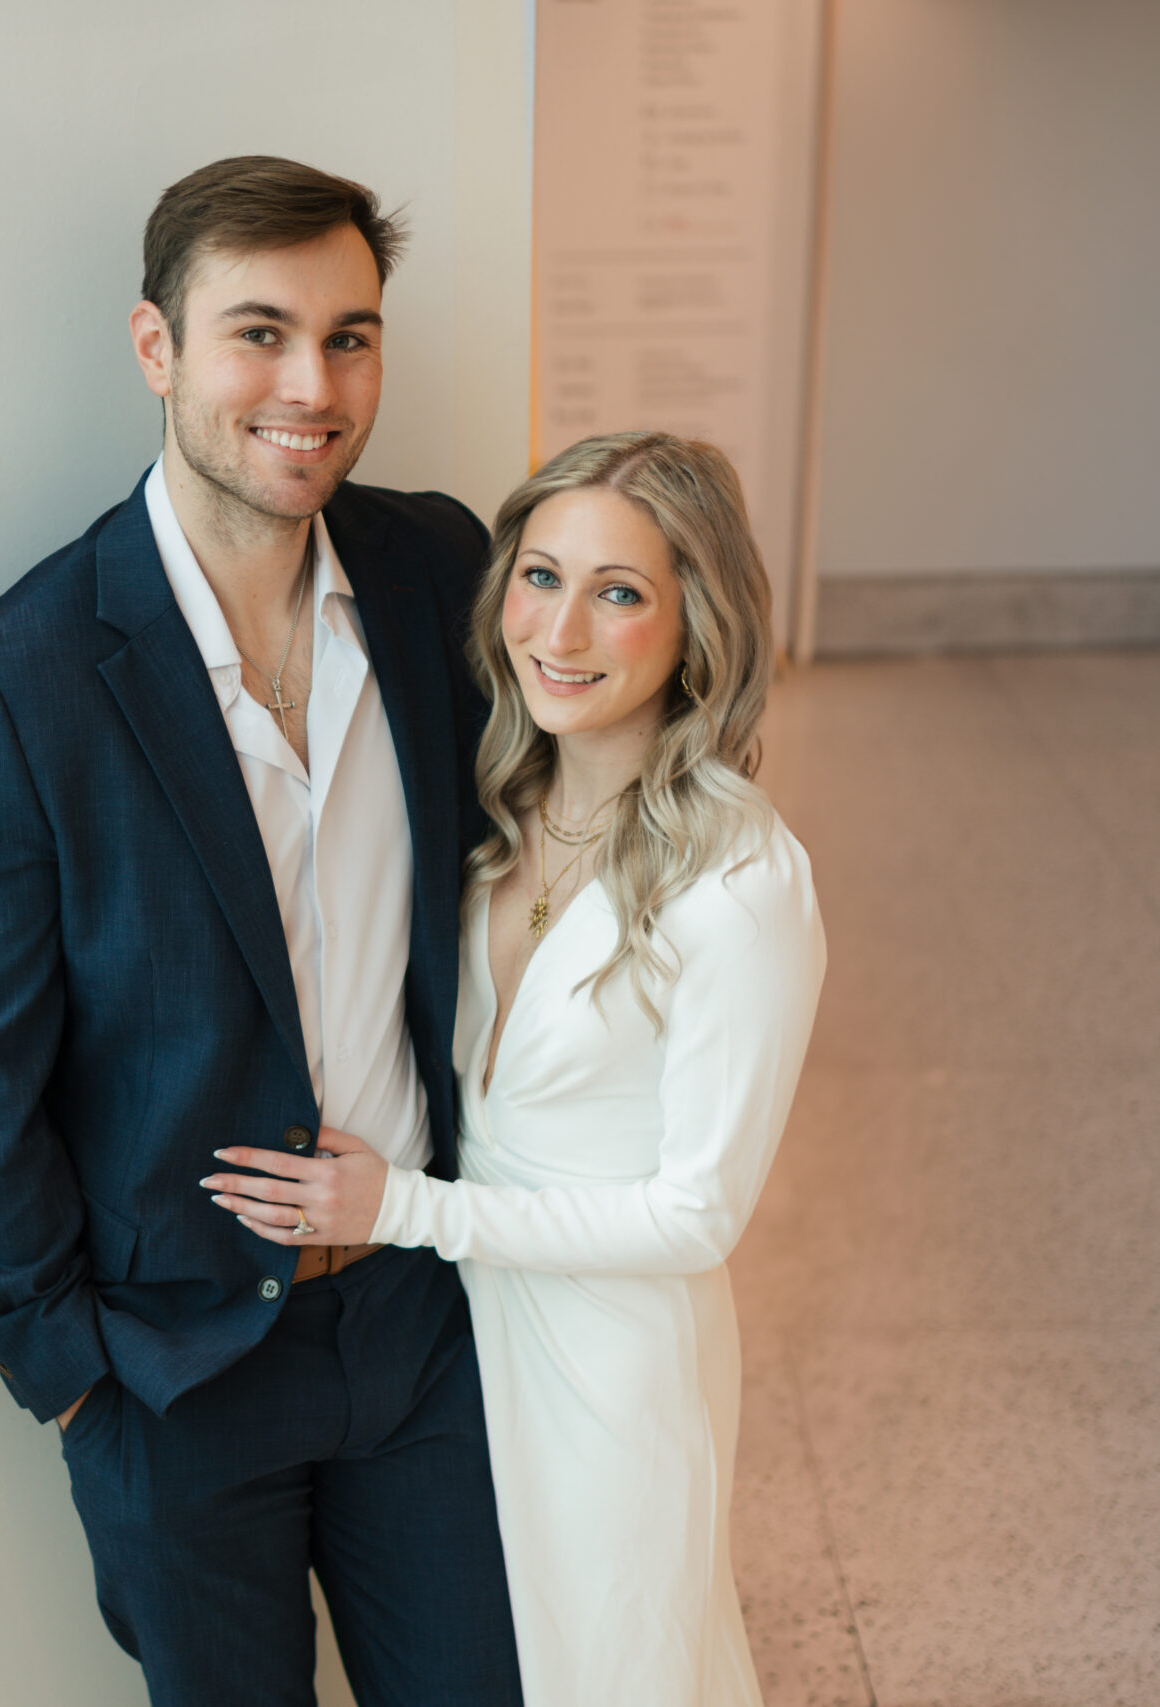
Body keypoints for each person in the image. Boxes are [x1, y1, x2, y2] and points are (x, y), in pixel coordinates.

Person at [0, 156, 521, 1707]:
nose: (313, 384)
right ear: (157, 349)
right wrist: (74, 1383)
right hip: (173, 1370)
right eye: (260, 332)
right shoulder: (13, 677)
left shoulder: (440, 564)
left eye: (352, 336)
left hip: (421, 1313)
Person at [206, 430, 827, 1705]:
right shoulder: (493, 804)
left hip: (607, 1367)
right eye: (542, 576)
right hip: (456, 1341)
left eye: (620, 592)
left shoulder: (742, 879)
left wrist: (405, 1210)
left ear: (695, 627)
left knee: (612, 1670)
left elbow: (697, 1215)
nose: (563, 628)